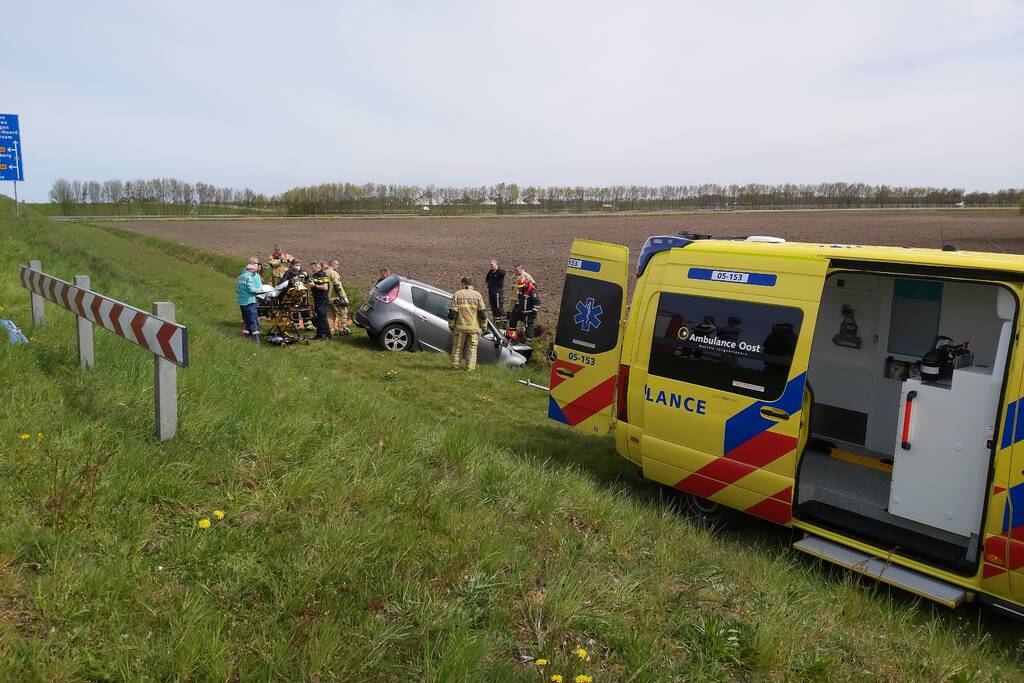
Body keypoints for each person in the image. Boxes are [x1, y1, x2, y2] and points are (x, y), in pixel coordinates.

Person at [448, 276, 487, 371]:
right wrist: (484, 326)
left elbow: (452, 313)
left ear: (463, 283)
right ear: (471, 283)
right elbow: (482, 314)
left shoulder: (458, 294)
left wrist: (451, 325)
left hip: (460, 328)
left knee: (457, 348)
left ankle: (455, 366)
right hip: (473, 328)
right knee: (472, 349)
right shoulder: (477, 295)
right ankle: (470, 368)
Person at [236, 262, 263, 342]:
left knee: (246, 321)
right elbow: (252, 290)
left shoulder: (240, 277)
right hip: (250, 302)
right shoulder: (249, 277)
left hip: (241, 302)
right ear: (250, 269)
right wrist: (260, 290)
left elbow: (237, 289)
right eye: (254, 271)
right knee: (253, 320)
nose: (255, 273)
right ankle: (256, 340)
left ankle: (246, 337)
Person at [325, 259, 350, 336]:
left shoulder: (324, 273)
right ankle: (343, 330)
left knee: (329, 315)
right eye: (337, 265)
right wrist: (344, 297)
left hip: (327, 298)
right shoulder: (334, 273)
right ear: (333, 264)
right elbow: (338, 286)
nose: (338, 266)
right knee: (343, 313)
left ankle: (330, 331)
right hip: (336, 298)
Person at [308, 262, 332, 340]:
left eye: (313, 268)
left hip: (322, 299)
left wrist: (314, 285)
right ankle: (319, 335)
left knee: (322, 318)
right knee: (318, 318)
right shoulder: (315, 275)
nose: (312, 269)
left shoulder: (322, 274)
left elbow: (325, 287)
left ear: (318, 267)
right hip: (317, 299)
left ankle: (327, 335)